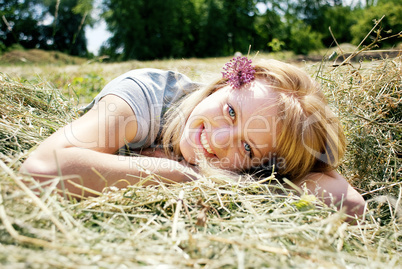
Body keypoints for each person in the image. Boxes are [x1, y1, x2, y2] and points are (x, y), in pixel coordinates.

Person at [20, 57, 365, 218]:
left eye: (247, 146)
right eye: (230, 111)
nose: (218, 139)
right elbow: (40, 169)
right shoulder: (143, 97)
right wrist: (186, 175)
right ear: (222, 85)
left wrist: (236, 181)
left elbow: (350, 204)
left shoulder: (254, 165)